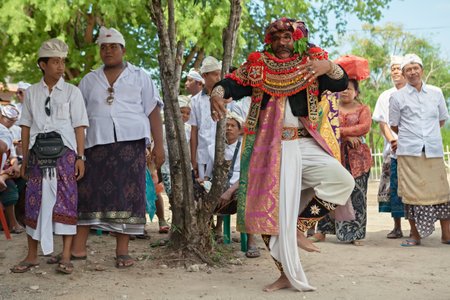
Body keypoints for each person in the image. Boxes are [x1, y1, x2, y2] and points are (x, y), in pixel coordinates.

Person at [210, 18, 354, 292]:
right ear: (269, 41)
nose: (281, 43)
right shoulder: (258, 66)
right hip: (270, 149)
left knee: (342, 181)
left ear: (297, 39)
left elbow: (339, 83)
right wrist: (216, 93)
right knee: (267, 213)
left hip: (304, 143)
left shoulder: (311, 64)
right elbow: (231, 83)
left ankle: (300, 225)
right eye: (276, 38)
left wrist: (330, 66)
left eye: (287, 37)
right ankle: (285, 273)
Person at [72, 27, 164, 269]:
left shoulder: (140, 76)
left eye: (113, 47)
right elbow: (78, 118)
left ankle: (122, 250)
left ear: (123, 50)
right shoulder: (88, 80)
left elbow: (153, 110)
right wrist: (77, 152)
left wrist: (160, 146)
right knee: (87, 194)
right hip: (94, 145)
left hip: (131, 144)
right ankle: (78, 248)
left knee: (127, 195)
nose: (108, 51)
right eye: (103, 47)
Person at [11, 38, 88, 274]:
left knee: (66, 202)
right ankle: (32, 256)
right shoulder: (32, 93)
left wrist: (80, 157)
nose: (61, 67)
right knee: (33, 202)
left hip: (65, 154)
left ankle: (65, 255)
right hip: (36, 154)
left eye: (62, 62)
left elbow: (79, 127)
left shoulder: (72, 92)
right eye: (55, 62)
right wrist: (24, 159)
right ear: (43, 64)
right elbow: (25, 127)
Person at [389, 53, 450, 247]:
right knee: (411, 195)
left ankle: (446, 235)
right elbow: (394, 125)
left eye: (416, 68)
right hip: (409, 152)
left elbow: (441, 119)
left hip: (433, 149)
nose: (413, 72)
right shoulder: (397, 97)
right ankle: (415, 236)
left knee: (441, 193)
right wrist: (413, 136)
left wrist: (427, 135)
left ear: (422, 70)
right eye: (409, 69)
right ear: (404, 74)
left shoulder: (436, 92)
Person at [312, 79, 373, 246]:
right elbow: (324, 128)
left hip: (358, 159)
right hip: (333, 156)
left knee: (357, 195)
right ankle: (322, 231)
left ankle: (356, 233)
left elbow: (364, 127)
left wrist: (339, 132)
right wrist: (345, 136)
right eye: (342, 89)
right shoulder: (330, 108)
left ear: (357, 93)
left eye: (349, 89)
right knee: (328, 191)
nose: (345, 92)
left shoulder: (363, 109)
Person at [372, 55, 407, 239]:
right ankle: (397, 227)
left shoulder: (413, 93)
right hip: (391, 149)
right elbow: (382, 122)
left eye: (398, 68)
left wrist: (404, 139)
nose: (395, 71)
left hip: (412, 148)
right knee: (393, 189)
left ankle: (418, 227)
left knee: (412, 187)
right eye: (392, 68)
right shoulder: (385, 95)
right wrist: (392, 140)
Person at [189, 56, 221, 179]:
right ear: (205, 75)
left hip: (222, 153)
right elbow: (194, 130)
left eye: (219, 74)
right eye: (215, 74)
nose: (219, 78)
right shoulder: (195, 101)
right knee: (204, 189)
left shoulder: (227, 99)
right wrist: (193, 158)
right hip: (203, 154)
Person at [0, 105, 25, 234]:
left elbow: (12, 155)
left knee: (22, 168)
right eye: (8, 120)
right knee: (10, 187)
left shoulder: (5, 132)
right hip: (3, 168)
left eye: (13, 121)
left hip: (6, 167)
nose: (10, 124)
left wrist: (14, 165)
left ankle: (4, 176)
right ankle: (12, 223)